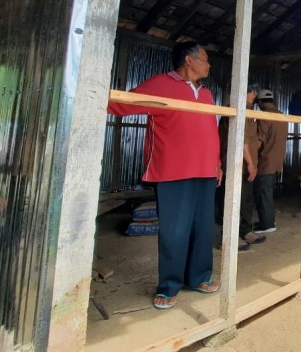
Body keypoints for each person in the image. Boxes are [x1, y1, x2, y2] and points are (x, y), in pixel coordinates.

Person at [107, 41, 221, 310]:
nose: (209, 64)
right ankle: (169, 286)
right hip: (173, 171)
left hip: (206, 170)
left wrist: (217, 163)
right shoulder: (160, 84)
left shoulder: (206, 94)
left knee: (203, 228)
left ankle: (198, 278)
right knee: (174, 231)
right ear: (188, 60)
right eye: (205, 58)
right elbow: (121, 104)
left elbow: (211, 133)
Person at [217, 83, 266, 251]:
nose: (255, 97)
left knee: (246, 199)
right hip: (237, 163)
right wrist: (251, 162)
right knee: (231, 200)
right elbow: (241, 138)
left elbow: (253, 136)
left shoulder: (249, 111)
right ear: (250, 93)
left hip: (246, 164)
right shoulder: (236, 110)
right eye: (254, 94)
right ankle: (227, 238)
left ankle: (245, 231)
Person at [253, 89, 287, 233]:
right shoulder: (281, 116)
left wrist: (251, 159)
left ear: (260, 102)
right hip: (277, 160)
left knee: (263, 192)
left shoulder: (264, 116)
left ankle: (267, 225)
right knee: (267, 192)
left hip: (266, 161)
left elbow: (259, 141)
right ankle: (268, 220)